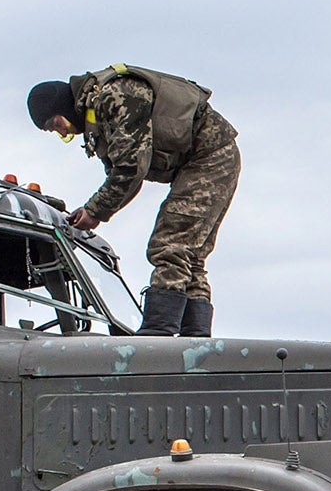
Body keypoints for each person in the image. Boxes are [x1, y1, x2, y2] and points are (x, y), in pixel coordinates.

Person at [26, 64, 240, 336]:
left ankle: (158, 331)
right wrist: (94, 209)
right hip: (205, 159)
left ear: (62, 107)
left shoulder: (114, 96)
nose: (62, 131)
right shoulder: (97, 115)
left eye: (56, 124)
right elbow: (118, 171)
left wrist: (95, 210)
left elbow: (130, 169)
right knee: (190, 254)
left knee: (170, 243)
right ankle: (194, 336)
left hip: (211, 156)